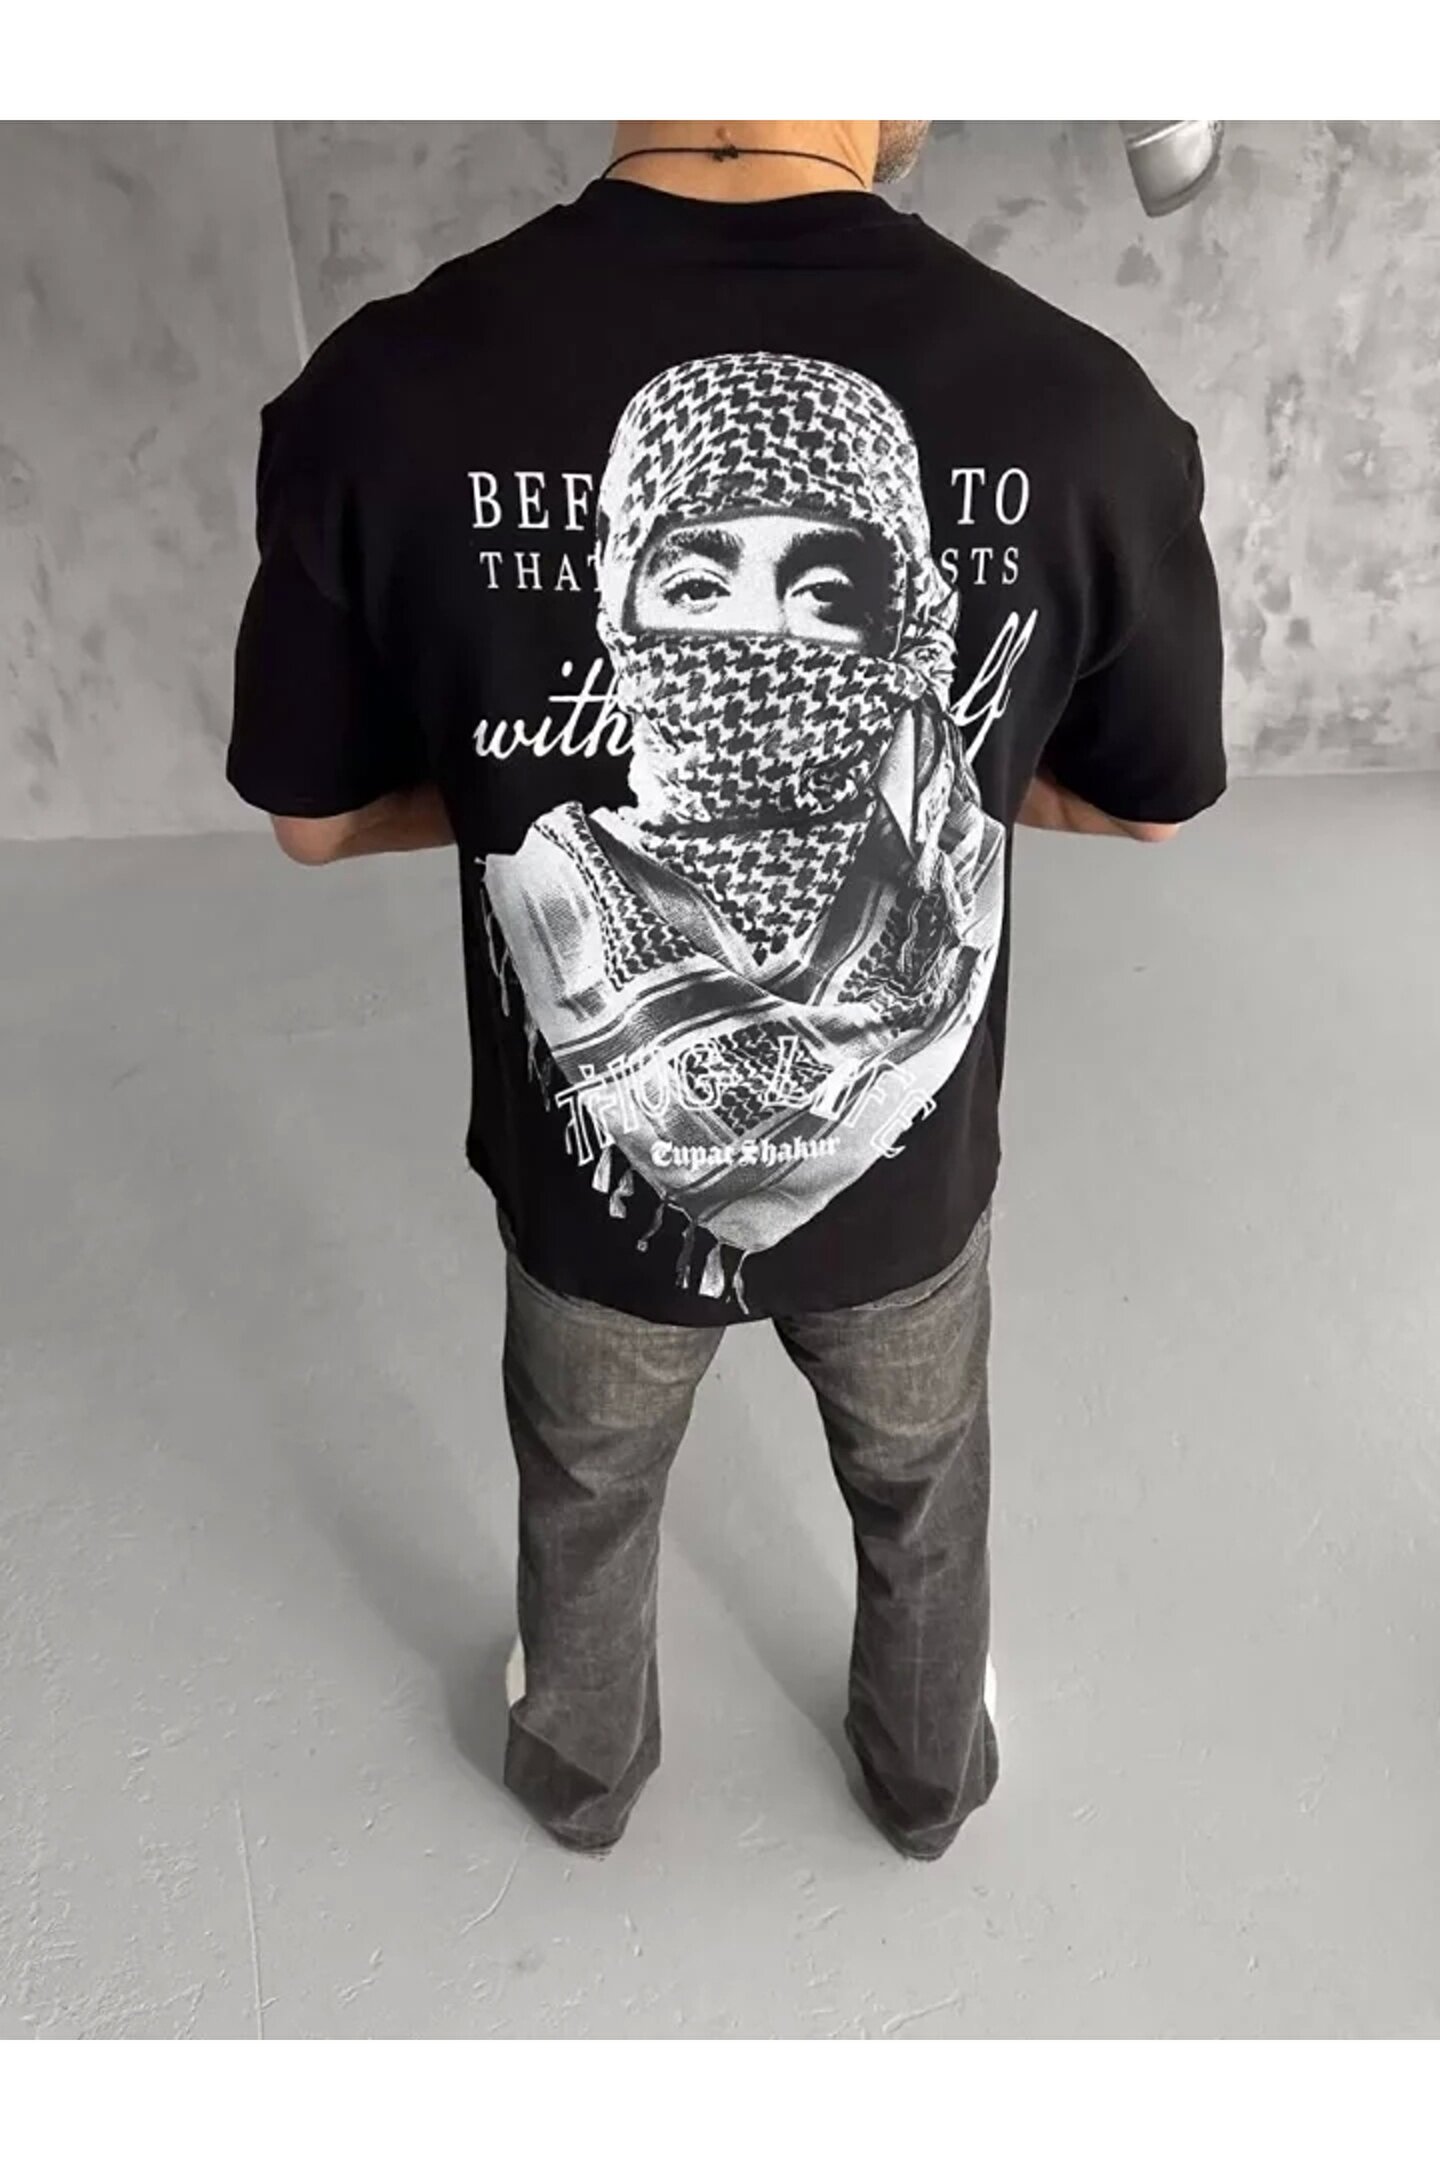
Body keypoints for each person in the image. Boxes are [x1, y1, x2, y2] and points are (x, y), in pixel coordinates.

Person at [227, 120, 1227, 1862]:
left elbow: (314, 826)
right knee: (922, 1485)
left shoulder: (382, 392)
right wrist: (971, 784)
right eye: (699, 579)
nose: (759, 638)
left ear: (906, 616)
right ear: (621, 605)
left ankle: (580, 1771)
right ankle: (927, 1775)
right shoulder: (1090, 411)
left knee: (587, 1486)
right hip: (915, 1200)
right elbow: (1145, 800)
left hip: (583, 1219)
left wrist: (495, 782)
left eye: (823, 587)